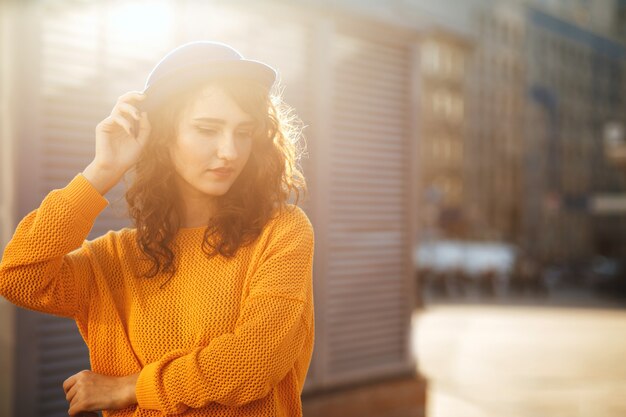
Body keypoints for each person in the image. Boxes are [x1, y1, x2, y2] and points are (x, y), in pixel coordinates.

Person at [0, 41, 314, 417]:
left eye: (243, 132)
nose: (230, 151)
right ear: (162, 137)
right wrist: (101, 172)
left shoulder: (281, 231)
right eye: (207, 129)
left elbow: (253, 362)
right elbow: (19, 275)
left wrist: (129, 387)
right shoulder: (113, 258)